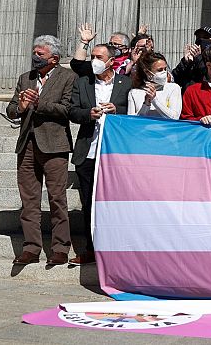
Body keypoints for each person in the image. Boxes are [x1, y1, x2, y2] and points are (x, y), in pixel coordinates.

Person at [6, 35, 76, 266]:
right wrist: (21, 107)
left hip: (54, 145)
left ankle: (59, 248)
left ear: (54, 58)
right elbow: (11, 109)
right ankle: (31, 248)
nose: (35, 57)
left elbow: (67, 110)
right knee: (29, 199)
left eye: (40, 54)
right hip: (27, 143)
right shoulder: (25, 78)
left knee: (57, 198)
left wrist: (38, 104)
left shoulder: (68, 77)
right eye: (34, 52)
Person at [68, 43, 132, 265]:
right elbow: (72, 110)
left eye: (98, 57)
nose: (94, 60)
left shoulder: (127, 83)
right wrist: (89, 113)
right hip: (88, 151)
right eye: (92, 56)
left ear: (111, 60)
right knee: (89, 203)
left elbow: (135, 113)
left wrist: (119, 112)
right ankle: (91, 249)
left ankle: (116, 250)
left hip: (115, 155)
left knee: (115, 204)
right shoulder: (83, 82)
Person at [128, 51, 182, 119]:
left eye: (165, 69)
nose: (164, 72)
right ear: (147, 72)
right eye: (160, 70)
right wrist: (146, 104)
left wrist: (154, 100)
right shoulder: (134, 92)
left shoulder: (173, 88)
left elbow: (174, 117)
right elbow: (131, 121)